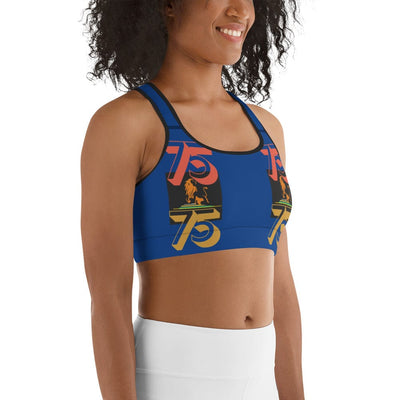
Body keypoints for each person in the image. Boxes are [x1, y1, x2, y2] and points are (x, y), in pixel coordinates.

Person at [80, 0, 304, 399]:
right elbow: (109, 296)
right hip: (174, 378)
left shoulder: (268, 129)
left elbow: (282, 287)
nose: (241, 11)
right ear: (167, 5)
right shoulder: (125, 123)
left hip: (260, 380)